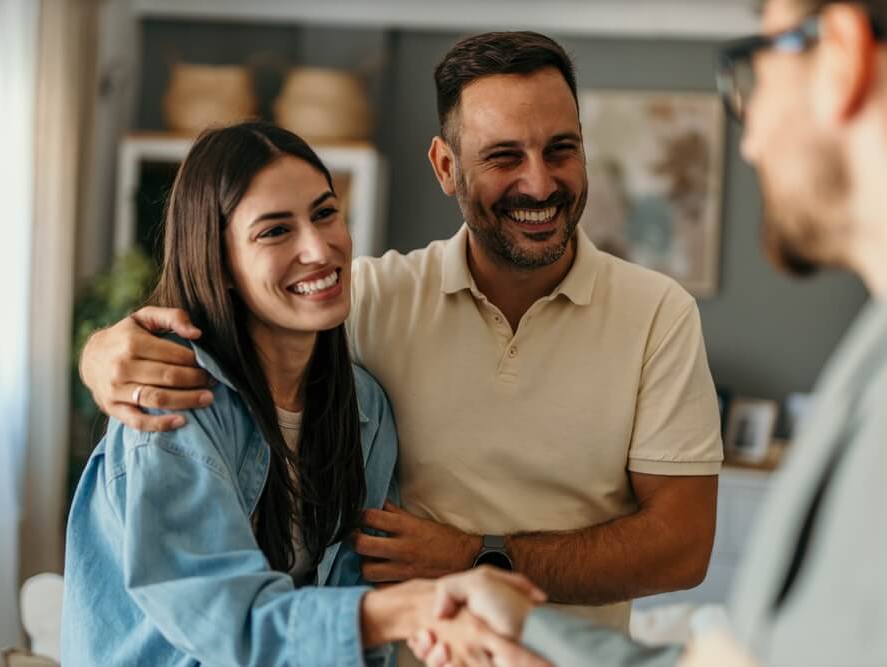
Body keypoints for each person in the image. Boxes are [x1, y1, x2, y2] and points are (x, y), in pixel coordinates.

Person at [77, 31, 724, 661]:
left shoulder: (656, 315)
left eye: (561, 149)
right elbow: (247, 311)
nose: (539, 182)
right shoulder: (370, 299)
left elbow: (682, 547)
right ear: (446, 166)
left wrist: (476, 556)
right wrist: (101, 352)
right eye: (503, 156)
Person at [417, 0, 887, 664]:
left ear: (841, 58)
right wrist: (531, 629)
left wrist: (481, 562)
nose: (750, 140)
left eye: (753, 65)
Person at [61, 121, 546, 666]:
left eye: (324, 212)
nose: (318, 249)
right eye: (274, 231)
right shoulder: (175, 399)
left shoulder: (364, 409)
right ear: (218, 264)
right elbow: (225, 622)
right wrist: (418, 607)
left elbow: (347, 614)